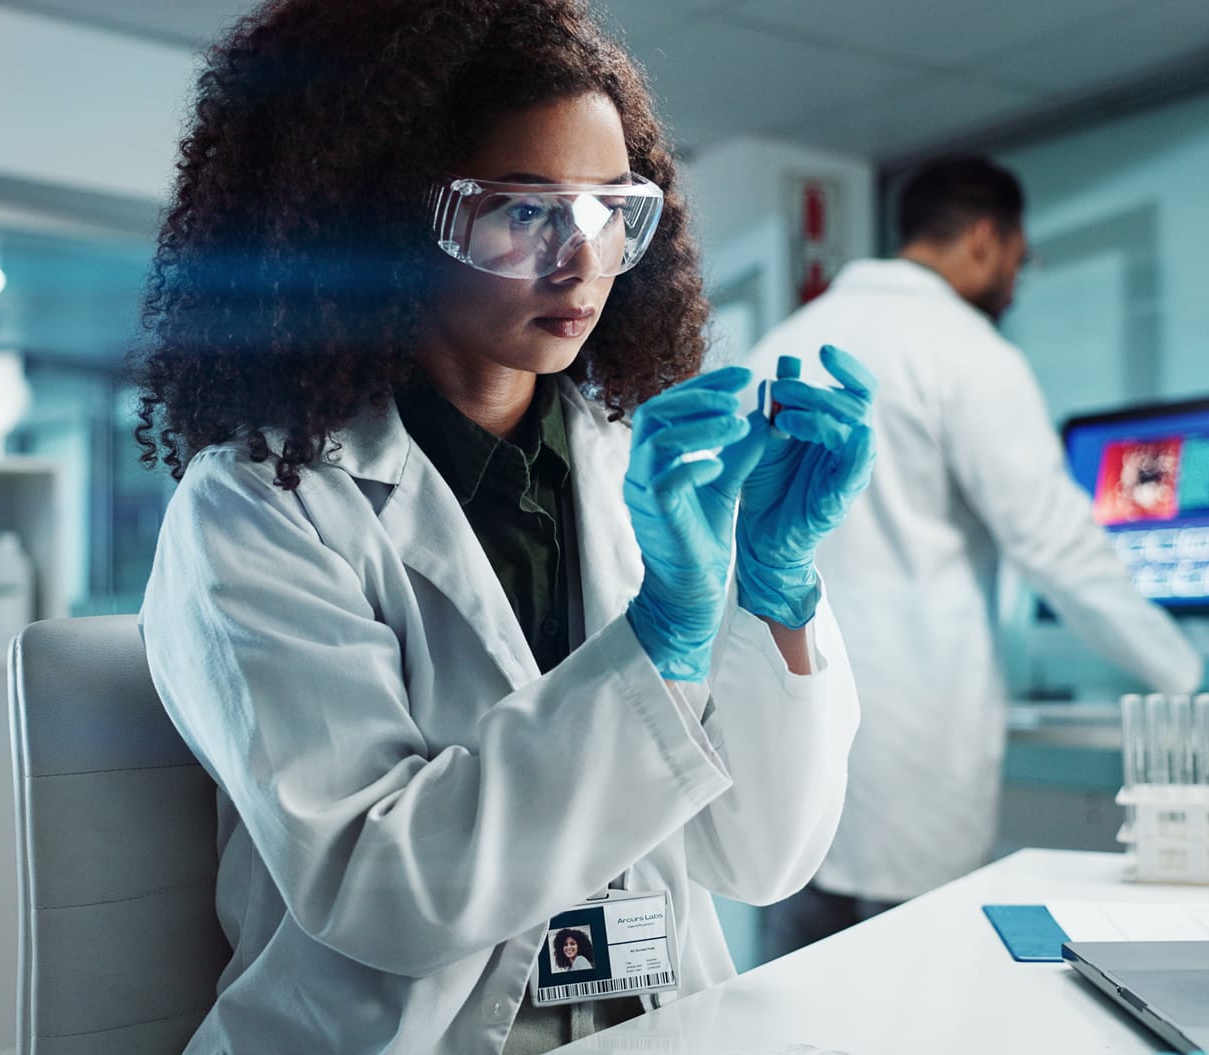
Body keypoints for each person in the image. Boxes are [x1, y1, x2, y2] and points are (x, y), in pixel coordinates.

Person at [130, 2, 874, 1052]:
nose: (581, 263)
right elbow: (382, 887)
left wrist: (775, 593)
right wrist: (657, 639)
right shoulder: (260, 505)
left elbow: (762, 857)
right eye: (521, 212)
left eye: (608, 207)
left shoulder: (639, 472)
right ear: (379, 221)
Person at [746, 156, 1209, 960]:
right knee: (911, 994)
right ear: (983, 238)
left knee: (786, 989)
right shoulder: (966, 351)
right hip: (913, 725)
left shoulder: (780, 345)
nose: (1014, 280)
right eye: (1017, 259)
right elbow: (1055, 540)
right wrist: (1187, 673)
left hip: (787, 708)